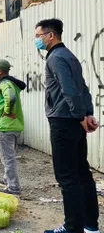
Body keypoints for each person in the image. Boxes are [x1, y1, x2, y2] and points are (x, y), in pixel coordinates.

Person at [34, 19, 99, 233]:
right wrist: (87, 114)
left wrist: (81, 115)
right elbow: (84, 88)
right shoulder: (69, 56)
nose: (37, 40)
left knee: (67, 177)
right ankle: (90, 225)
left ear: (51, 35)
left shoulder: (56, 58)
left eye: (39, 36)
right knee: (82, 174)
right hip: (74, 121)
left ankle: (72, 227)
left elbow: (70, 90)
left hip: (63, 122)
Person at [0, 60, 26, 196]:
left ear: (0, 71)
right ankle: (6, 179)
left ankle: (13, 187)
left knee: (7, 157)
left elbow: (10, 97)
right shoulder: (12, 83)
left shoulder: (5, 84)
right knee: (10, 155)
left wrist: (7, 111)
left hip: (6, 126)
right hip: (14, 125)